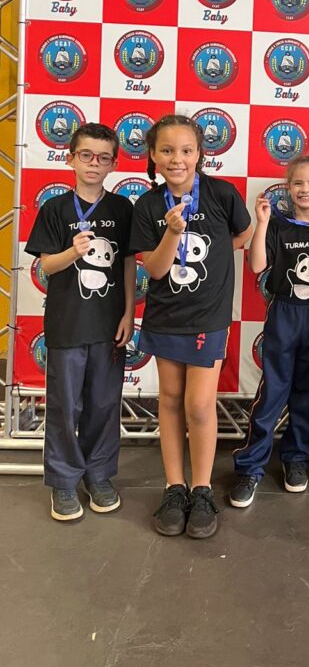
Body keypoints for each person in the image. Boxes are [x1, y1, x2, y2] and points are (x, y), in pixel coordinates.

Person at [129, 114, 252, 538]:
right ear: (153, 155)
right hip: (165, 318)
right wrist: (172, 232)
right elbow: (156, 269)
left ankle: (202, 489)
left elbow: (243, 234)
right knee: (169, 399)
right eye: (167, 150)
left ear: (200, 153)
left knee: (199, 405)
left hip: (208, 317)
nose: (176, 159)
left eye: (185, 150)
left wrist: (214, 254)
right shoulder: (148, 205)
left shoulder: (222, 193)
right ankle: (174, 487)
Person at [25, 123, 135, 521]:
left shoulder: (122, 208)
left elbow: (127, 262)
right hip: (67, 323)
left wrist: (129, 313)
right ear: (70, 158)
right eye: (86, 155)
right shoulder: (55, 208)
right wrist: (73, 251)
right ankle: (64, 481)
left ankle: (98, 475)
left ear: (113, 164)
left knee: (104, 405)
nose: (94, 163)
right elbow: (46, 266)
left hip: (108, 325)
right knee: (64, 406)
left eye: (103, 158)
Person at [230, 156, 309, 507]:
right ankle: (250, 467)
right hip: (285, 313)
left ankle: (296, 458)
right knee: (273, 391)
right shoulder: (276, 225)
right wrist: (261, 223)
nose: (305, 190)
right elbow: (257, 265)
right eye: (298, 183)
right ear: (288, 188)